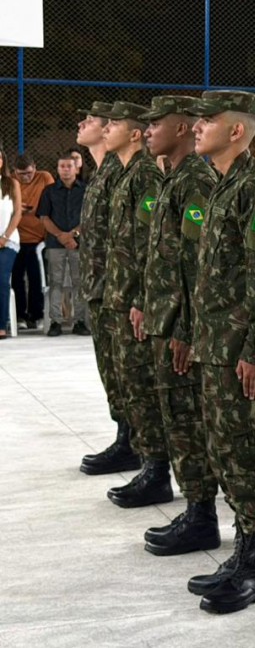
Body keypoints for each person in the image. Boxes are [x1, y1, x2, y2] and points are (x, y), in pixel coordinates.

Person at [187, 90, 255, 615]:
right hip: (215, 347)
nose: (197, 126)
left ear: (237, 132)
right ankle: (242, 551)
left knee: (249, 455)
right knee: (227, 452)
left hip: (241, 354)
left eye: (209, 119)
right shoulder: (225, 187)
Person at [137, 95, 222, 556]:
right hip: (167, 322)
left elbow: (196, 264)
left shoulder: (196, 183)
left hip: (183, 329)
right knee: (178, 419)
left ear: (183, 128)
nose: (148, 130)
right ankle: (195, 510)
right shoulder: (175, 180)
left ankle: (202, 515)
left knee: (189, 422)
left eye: (157, 123)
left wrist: (186, 329)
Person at [99, 101, 172, 509]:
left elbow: (150, 245)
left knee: (143, 387)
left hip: (134, 302)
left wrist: (142, 299)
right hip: (119, 296)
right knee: (130, 384)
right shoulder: (127, 174)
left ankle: (155, 468)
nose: (105, 129)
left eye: (113, 124)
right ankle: (146, 460)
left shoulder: (144, 175)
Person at [78, 102, 139, 475]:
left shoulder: (122, 173)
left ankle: (132, 442)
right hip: (101, 288)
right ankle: (125, 436)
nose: (83, 124)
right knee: (111, 370)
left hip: (117, 289)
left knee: (125, 372)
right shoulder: (102, 173)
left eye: (92, 120)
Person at [38, 152, 88, 336]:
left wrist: (73, 234)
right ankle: (56, 322)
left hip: (78, 244)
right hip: (55, 244)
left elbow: (89, 217)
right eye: (62, 166)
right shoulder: (49, 191)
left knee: (79, 282)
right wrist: (61, 235)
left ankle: (80, 321)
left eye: (69, 166)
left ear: (76, 168)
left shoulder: (85, 190)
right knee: (56, 282)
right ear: (57, 169)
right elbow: (44, 217)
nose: (65, 170)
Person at [11, 153, 54, 330]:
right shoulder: (9, 182)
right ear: (15, 172)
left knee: (37, 278)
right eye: (21, 174)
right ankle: (20, 315)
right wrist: (16, 207)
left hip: (39, 239)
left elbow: (53, 198)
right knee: (17, 278)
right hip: (16, 237)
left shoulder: (44, 177)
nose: (26, 177)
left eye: (29, 172)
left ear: (35, 167)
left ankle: (37, 315)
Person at [0, 147, 22, 339]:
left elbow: (17, 213)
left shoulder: (10, 184)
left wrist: (4, 237)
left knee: (1, 280)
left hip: (7, 242)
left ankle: (1, 325)